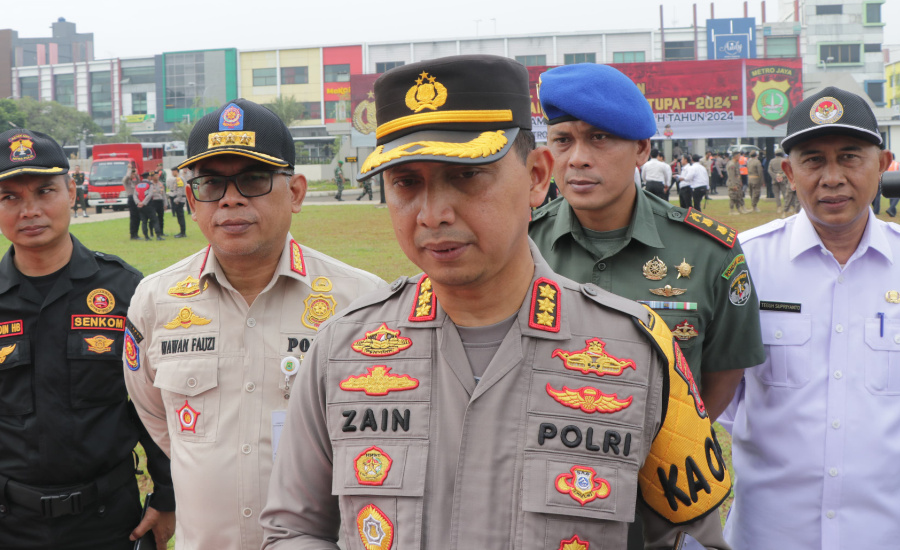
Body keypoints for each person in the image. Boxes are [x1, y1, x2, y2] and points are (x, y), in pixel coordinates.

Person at [261, 54, 732, 550]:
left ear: (535, 176)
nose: (433, 214)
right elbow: (293, 530)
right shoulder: (344, 349)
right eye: (406, 182)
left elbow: (691, 540)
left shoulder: (636, 351)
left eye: (466, 176)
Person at [124, 98, 384, 550]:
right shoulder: (155, 299)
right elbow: (156, 417)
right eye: (211, 183)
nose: (230, 198)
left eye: (254, 179)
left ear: (296, 192)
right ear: (191, 198)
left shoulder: (360, 301)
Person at [528, 62, 763, 550]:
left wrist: (654, 440)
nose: (577, 159)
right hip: (538, 497)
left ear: (641, 149)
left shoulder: (707, 252)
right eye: (563, 140)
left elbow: (723, 370)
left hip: (659, 503)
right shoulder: (520, 246)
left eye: (599, 139)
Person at [720, 87, 898, 549]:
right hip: (770, 534)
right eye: (813, 160)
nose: (832, 177)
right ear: (788, 172)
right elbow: (724, 396)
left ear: (883, 164)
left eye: (851, 157)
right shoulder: (745, 263)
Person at [0, 128, 175, 550]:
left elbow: (160, 400)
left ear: (72, 190)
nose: (30, 210)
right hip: (10, 522)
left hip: (110, 520)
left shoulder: (126, 290)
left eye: (45, 191)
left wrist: (168, 496)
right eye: (10, 197)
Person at [135, 173, 163, 241]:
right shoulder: (149, 184)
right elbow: (150, 195)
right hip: (149, 205)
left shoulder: (138, 185)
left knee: (144, 221)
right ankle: (158, 236)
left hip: (140, 206)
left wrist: (139, 203)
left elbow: (135, 195)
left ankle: (146, 237)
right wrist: (144, 203)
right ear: (148, 177)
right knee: (155, 220)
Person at [768, 150, 788, 216]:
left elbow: (769, 170)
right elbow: (787, 169)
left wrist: (775, 176)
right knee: (785, 193)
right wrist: (782, 176)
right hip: (783, 179)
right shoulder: (784, 160)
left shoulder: (772, 161)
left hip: (774, 180)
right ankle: (786, 207)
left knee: (776, 194)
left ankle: (779, 207)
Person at [726, 150, 746, 215]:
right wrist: (733, 185)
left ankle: (739, 209)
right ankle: (731, 211)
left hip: (737, 183)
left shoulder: (736, 163)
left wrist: (739, 182)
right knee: (733, 197)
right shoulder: (731, 164)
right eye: (739, 156)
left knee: (738, 196)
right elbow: (731, 176)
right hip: (733, 183)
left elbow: (737, 174)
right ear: (736, 156)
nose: (740, 157)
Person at [123, 167, 141, 240]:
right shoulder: (126, 182)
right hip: (131, 198)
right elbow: (126, 178)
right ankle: (133, 234)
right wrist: (129, 170)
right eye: (132, 174)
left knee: (138, 217)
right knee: (133, 218)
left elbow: (139, 181)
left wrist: (136, 174)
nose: (133, 175)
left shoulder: (134, 182)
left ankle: (136, 233)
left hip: (137, 199)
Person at [169, 167, 187, 238]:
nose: (172, 173)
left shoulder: (179, 179)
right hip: (180, 199)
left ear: (176, 171)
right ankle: (182, 232)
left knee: (180, 216)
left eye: (173, 171)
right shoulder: (178, 178)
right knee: (180, 216)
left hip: (179, 200)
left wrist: (177, 200)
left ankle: (182, 233)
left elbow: (180, 190)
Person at [149, 171, 166, 237]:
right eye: (156, 176)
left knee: (161, 217)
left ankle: (161, 232)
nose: (157, 177)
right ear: (152, 177)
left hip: (160, 202)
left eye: (158, 175)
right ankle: (151, 232)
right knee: (152, 218)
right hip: (153, 202)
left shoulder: (160, 184)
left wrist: (165, 204)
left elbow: (164, 194)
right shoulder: (150, 184)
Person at [884, 152, 899, 217]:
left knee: (891, 196)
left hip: (887, 181)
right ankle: (891, 208)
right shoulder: (897, 164)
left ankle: (892, 212)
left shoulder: (887, 164)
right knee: (897, 196)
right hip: (896, 181)